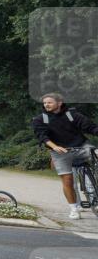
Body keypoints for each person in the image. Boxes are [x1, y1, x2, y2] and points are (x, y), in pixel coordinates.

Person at [31, 92, 98, 220]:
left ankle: (94, 193)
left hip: (81, 146)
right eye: (44, 103)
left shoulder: (72, 114)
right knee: (68, 180)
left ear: (59, 103)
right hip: (60, 151)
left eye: (49, 102)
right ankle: (74, 209)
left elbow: (90, 127)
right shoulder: (40, 119)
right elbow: (42, 136)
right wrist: (54, 146)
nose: (46, 105)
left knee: (96, 153)